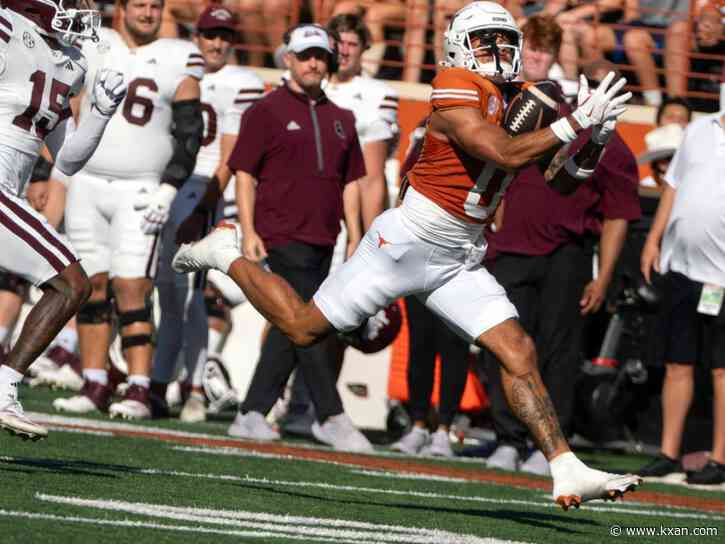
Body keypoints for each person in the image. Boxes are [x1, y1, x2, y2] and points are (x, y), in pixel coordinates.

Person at [174, 1, 641, 509]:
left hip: (459, 256)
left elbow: (563, 182)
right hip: (408, 240)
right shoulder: (455, 85)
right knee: (304, 327)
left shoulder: (527, 99)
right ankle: (225, 254)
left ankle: (566, 468)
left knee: (519, 351)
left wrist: (598, 136)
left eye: (507, 41)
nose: (500, 50)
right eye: (488, 40)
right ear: (462, 46)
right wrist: (577, 123)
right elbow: (503, 153)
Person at [483, 58, 641, 476]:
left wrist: (602, 277)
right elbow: (497, 161)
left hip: (566, 256)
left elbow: (618, 217)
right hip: (511, 249)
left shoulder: (614, 145)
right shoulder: (542, 119)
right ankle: (506, 437)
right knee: (505, 346)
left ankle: (550, 445)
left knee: (559, 354)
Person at [217, 23, 370, 452]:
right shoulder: (264, 111)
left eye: (320, 55)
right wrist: (248, 231)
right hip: (280, 235)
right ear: (288, 58)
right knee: (307, 324)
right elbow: (244, 173)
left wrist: (356, 234)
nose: (313, 63)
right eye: (305, 55)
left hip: (324, 237)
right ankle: (330, 414)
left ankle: (250, 413)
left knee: (294, 327)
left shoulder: (343, 119)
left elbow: (352, 182)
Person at [53, 0, 204, 420]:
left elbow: (192, 132)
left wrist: (169, 189)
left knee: (133, 288)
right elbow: (63, 99)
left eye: (155, 5)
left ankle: (139, 388)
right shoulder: (94, 42)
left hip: (141, 189)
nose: (149, 12)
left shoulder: (178, 55)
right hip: (86, 183)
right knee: (90, 285)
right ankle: (95, 380)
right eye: (140, 4)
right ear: (120, 8)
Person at [0, 0, 126, 440]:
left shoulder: (70, 62)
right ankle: (4, 386)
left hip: (9, 194)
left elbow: (67, 159)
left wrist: (102, 114)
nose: (85, 9)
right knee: (72, 282)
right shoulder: (6, 27)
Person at [147, 5, 264, 422]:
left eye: (225, 36)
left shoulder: (241, 83)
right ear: (196, 36)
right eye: (210, 34)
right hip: (164, 185)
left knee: (191, 293)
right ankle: (157, 385)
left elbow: (232, 156)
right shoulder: (175, 67)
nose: (217, 43)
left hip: (203, 188)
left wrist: (207, 202)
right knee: (164, 290)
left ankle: (193, 388)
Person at [637, 107, 725, 485]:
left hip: (722, 276)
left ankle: (720, 458)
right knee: (677, 362)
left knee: (722, 369)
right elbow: (673, 185)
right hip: (681, 266)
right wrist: (653, 240)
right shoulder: (698, 128)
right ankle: (668, 453)